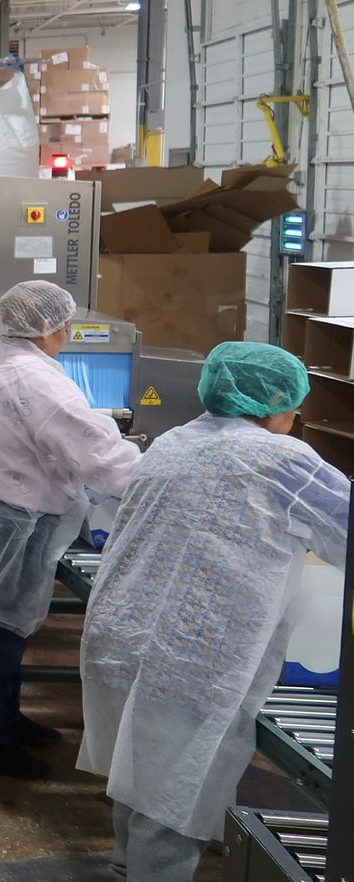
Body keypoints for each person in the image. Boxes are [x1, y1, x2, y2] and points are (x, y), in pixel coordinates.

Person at [78, 342, 348, 881]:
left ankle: (126, 866)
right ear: (272, 403)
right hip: (193, 658)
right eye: (294, 407)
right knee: (174, 794)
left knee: (139, 772)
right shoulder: (282, 459)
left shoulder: (174, 441)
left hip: (121, 634)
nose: (296, 419)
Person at [0, 280, 141, 780]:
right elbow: (94, 448)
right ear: (46, 329)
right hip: (19, 514)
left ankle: (5, 719)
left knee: (5, 622)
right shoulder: (38, 382)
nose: (67, 333)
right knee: (6, 627)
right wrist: (151, 479)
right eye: (64, 325)